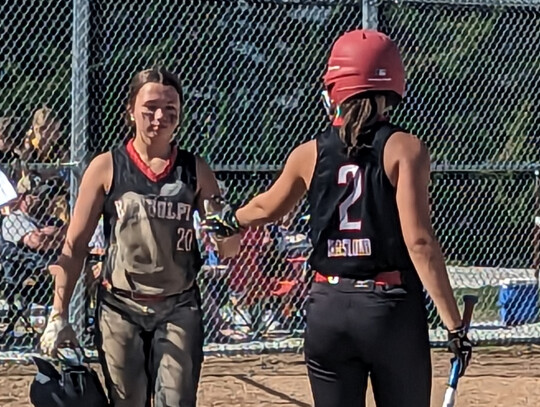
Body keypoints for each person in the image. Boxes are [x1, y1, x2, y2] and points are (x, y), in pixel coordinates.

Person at [201, 29, 472, 407]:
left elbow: (266, 207)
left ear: (334, 88)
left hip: (327, 304)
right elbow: (419, 242)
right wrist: (454, 324)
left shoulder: (308, 152)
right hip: (387, 306)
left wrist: (227, 220)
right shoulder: (404, 148)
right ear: (392, 84)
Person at [39, 67, 241, 407]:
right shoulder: (107, 167)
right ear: (130, 111)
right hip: (121, 307)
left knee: (176, 400)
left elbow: (229, 249)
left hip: (178, 305)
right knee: (127, 400)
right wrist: (58, 315)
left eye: (170, 109)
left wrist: (225, 223)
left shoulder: (195, 170)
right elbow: (74, 246)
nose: (160, 116)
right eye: (150, 107)